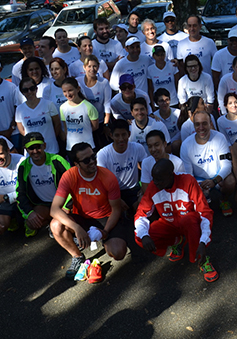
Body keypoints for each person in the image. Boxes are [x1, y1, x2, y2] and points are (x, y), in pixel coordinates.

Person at [50, 142, 128, 279]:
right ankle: (77, 256)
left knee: (118, 253)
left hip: (105, 218)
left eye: (93, 157)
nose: (92, 162)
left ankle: (103, 240)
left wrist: (106, 231)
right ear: (76, 164)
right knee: (55, 225)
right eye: (86, 160)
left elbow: (116, 209)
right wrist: (77, 228)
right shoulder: (69, 176)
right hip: (82, 218)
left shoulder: (108, 177)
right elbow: (54, 209)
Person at [135, 159, 219, 282]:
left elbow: (204, 212)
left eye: (159, 179)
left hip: (189, 222)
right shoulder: (154, 186)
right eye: (154, 178)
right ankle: (176, 241)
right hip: (169, 223)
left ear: (170, 175)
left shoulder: (188, 181)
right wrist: (144, 235)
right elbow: (140, 214)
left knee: (189, 220)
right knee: (140, 236)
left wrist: (203, 241)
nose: (155, 182)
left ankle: (203, 259)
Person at [180, 111, 236, 215]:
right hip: (198, 179)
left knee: (231, 181)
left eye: (204, 123)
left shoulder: (220, 137)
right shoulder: (186, 145)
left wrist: (214, 181)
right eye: (197, 124)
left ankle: (224, 199)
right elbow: (188, 174)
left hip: (216, 177)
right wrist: (198, 186)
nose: (201, 128)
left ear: (210, 123)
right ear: (194, 125)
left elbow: (227, 165)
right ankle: (202, 201)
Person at [16, 132, 70, 237]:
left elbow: (74, 182)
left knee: (67, 224)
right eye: (31, 148)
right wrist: (29, 213)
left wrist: (66, 206)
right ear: (26, 150)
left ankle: (70, 232)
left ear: (44, 145)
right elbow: (20, 193)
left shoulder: (57, 160)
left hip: (63, 202)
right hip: (44, 205)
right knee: (31, 223)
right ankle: (52, 225)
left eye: (38, 147)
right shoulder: (23, 166)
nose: (35, 151)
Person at [96, 119, 147, 213]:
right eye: (117, 135)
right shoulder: (103, 154)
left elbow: (146, 169)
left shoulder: (138, 148)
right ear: (111, 135)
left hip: (133, 190)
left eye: (124, 134)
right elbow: (101, 181)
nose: (121, 139)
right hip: (113, 192)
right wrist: (116, 199)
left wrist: (143, 191)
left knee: (142, 209)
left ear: (129, 134)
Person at [15, 77, 61, 154]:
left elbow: (57, 124)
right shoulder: (19, 109)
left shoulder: (48, 104)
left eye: (32, 88)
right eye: (25, 90)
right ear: (22, 92)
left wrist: (50, 138)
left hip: (51, 149)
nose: (29, 92)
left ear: (36, 89)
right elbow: (22, 131)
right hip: (32, 152)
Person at [78, 55, 112, 147]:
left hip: (100, 121)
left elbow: (107, 104)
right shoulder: (78, 82)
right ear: (84, 67)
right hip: (85, 123)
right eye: (89, 66)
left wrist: (106, 124)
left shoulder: (104, 82)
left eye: (95, 66)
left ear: (98, 67)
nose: (92, 69)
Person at [60, 77, 100, 151]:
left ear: (78, 89)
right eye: (64, 91)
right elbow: (66, 129)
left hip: (88, 147)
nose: (68, 94)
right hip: (70, 147)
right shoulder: (63, 107)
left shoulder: (89, 106)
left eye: (70, 90)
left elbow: (95, 126)